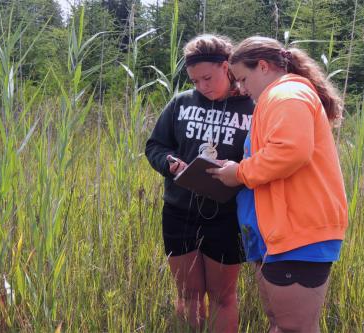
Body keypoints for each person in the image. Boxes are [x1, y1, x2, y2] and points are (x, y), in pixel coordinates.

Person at [208, 36, 348, 332]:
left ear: (263, 66)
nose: (243, 89)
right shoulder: (280, 96)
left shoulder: (286, 94)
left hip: (299, 233)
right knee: (281, 325)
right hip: (281, 233)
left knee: (293, 328)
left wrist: (240, 173)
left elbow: (291, 151)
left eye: (244, 79)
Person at [145, 34, 255, 332]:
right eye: (195, 81)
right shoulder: (181, 103)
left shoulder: (252, 106)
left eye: (207, 77)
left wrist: (238, 170)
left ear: (226, 67)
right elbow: (155, 145)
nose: (202, 86)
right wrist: (168, 163)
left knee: (223, 297)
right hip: (180, 211)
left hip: (227, 215)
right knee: (188, 295)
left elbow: (265, 160)